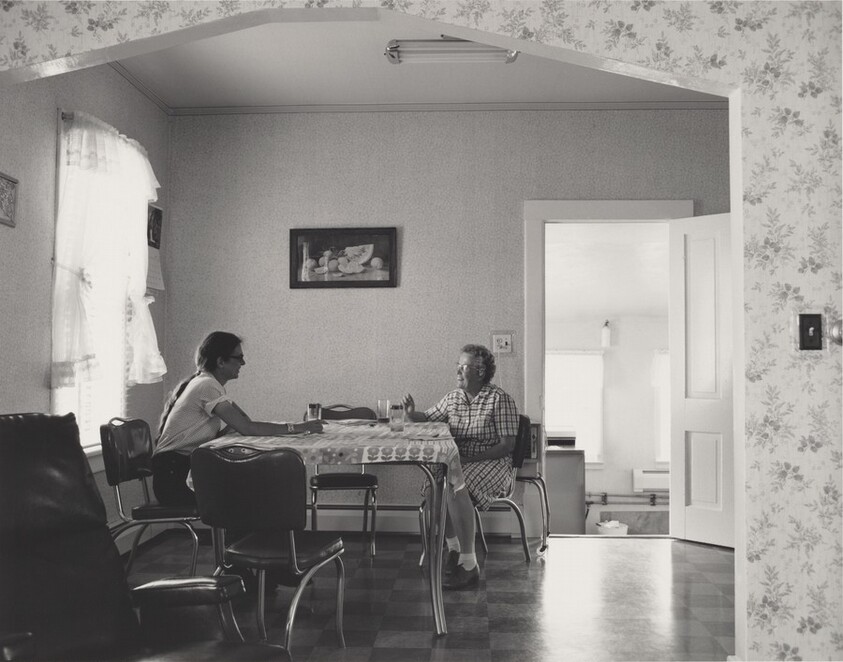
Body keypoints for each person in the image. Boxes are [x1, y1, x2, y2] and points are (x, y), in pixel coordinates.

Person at [152, 331, 322, 507]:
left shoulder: (208, 383)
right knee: (251, 489)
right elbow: (248, 428)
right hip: (174, 478)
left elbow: (243, 420)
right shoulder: (207, 385)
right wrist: (298, 427)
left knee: (251, 485)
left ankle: (249, 533)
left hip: (177, 469)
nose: (243, 363)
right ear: (220, 361)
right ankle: (255, 532)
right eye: (238, 357)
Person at [403, 344, 519, 590]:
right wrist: (413, 414)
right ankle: (453, 549)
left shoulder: (499, 400)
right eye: (458, 366)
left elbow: (507, 446)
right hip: (458, 459)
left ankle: (469, 564)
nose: (457, 372)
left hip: (492, 462)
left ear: (480, 371)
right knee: (434, 486)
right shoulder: (454, 397)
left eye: (463, 367)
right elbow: (430, 417)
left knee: (455, 483)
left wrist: (466, 462)